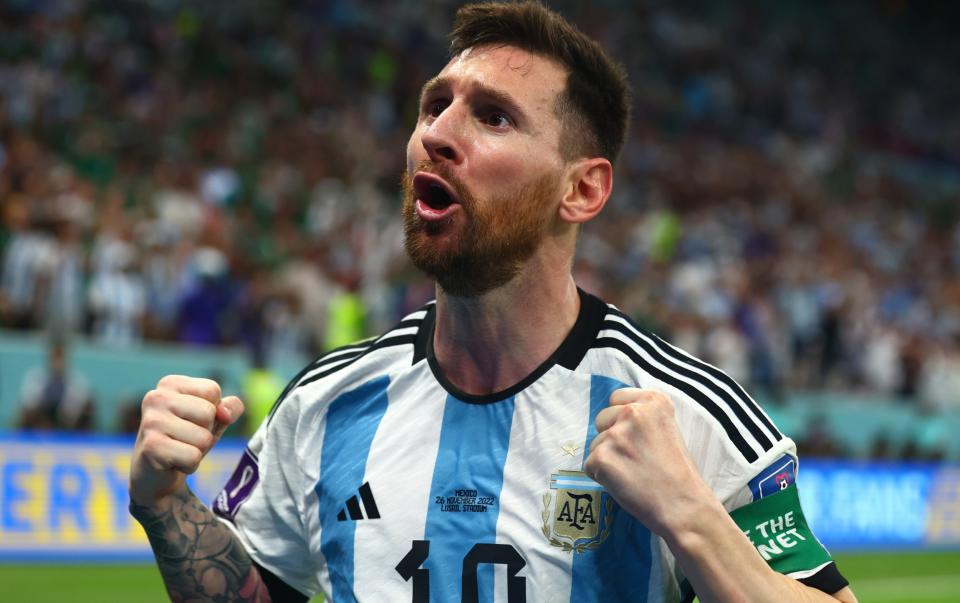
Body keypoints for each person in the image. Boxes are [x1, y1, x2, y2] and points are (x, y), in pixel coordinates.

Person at [128, 3, 858, 602]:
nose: (437, 134)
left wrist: (693, 521)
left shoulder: (683, 411)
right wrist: (166, 505)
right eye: (434, 107)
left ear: (582, 189)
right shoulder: (327, 404)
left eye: (494, 117)